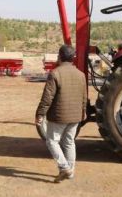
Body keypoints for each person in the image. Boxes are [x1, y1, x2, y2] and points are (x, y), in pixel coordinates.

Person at [35, 44, 87, 183]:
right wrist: (83, 112)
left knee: (52, 141)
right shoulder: (81, 75)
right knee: (69, 142)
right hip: (76, 116)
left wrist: (40, 114)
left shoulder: (55, 73)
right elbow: (84, 96)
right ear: (72, 58)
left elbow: (47, 98)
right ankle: (70, 172)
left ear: (60, 57)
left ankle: (64, 167)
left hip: (59, 116)